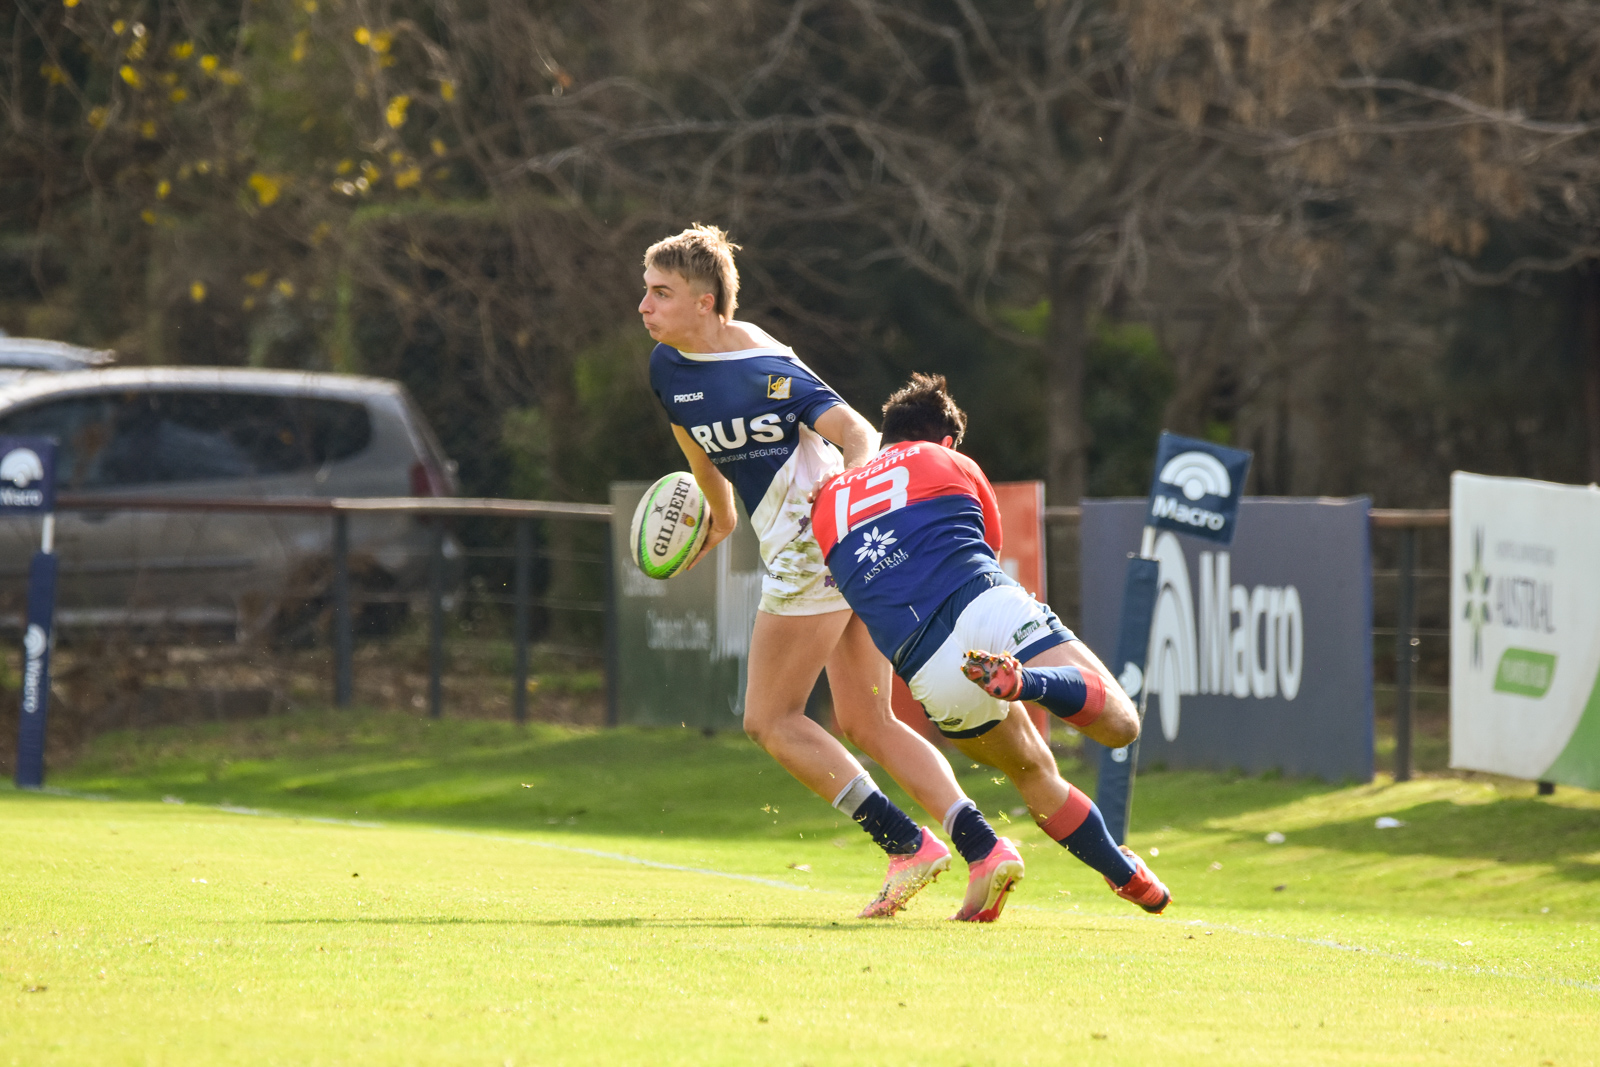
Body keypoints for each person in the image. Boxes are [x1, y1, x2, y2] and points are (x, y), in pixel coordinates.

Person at [639, 226, 1011, 920]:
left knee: (769, 718)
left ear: (707, 301)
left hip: (819, 549)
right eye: (647, 288)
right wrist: (712, 526)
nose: (644, 305)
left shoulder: (766, 367)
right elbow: (702, 459)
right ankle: (984, 846)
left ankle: (907, 844)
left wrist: (849, 484)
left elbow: (858, 433)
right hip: (826, 551)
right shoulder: (668, 368)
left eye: (661, 292)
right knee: (866, 719)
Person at [811, 373, 1172, 918]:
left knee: (1030, 770)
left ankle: (1117, 872)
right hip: (980, 600)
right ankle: (1030, 684)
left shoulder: (827, 502)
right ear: (947, 440)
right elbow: (989, 548)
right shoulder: (949, 462)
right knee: (1121, 723)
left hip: (926, 662)